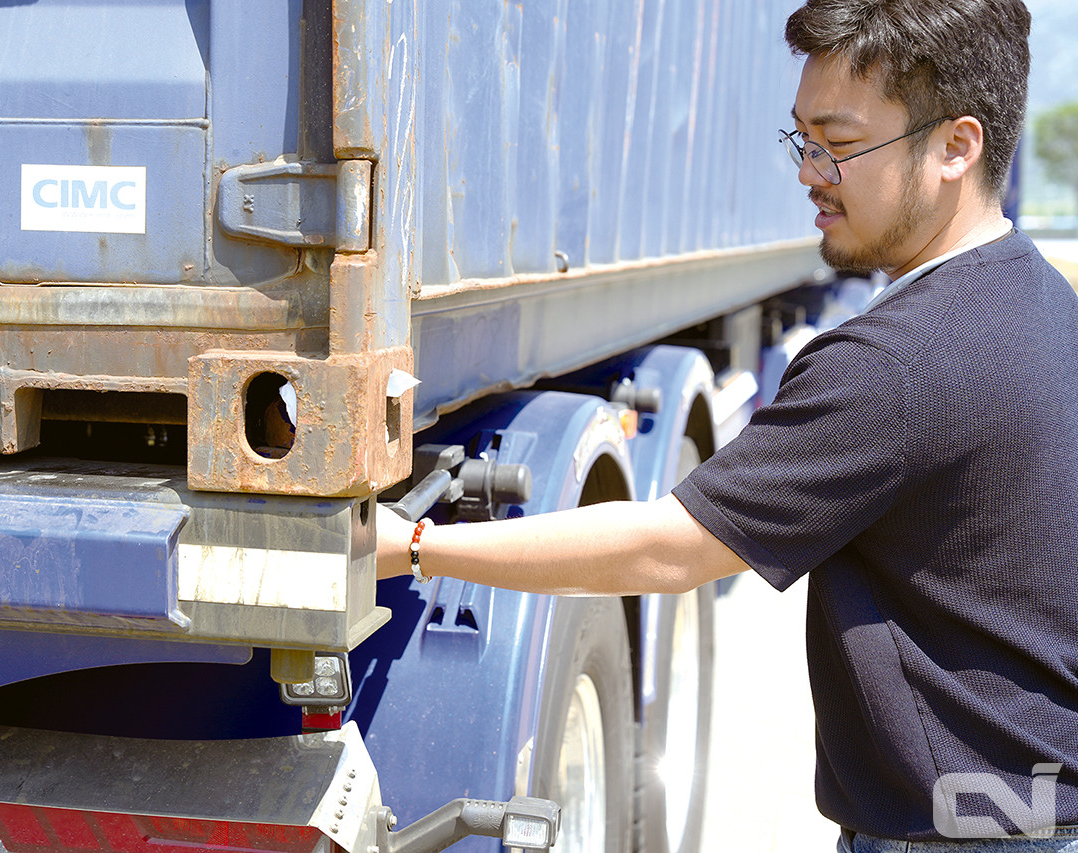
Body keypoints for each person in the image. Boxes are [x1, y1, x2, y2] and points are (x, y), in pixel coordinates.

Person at [376, 0, 1078, 849]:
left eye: (840, 144)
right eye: (802, 138)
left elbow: (668, 550)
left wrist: (413, 548)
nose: (808, 170)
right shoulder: (1040, 298)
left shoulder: (896, 364)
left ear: (956, 147)